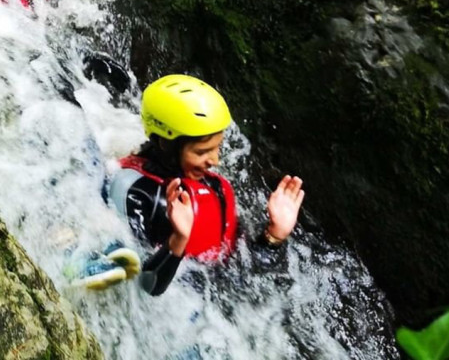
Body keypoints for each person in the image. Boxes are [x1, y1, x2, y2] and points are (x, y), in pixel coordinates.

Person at [72, 74, 305, 293]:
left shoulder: (217, 187)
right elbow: (145, 287)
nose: (215, 160)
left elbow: (242, 271)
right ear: (165, 144)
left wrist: (274, 235)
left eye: (217, 148)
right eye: (202, 151)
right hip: (177, 303)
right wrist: (179, 239)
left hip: (215, 297)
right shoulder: (133, 190)